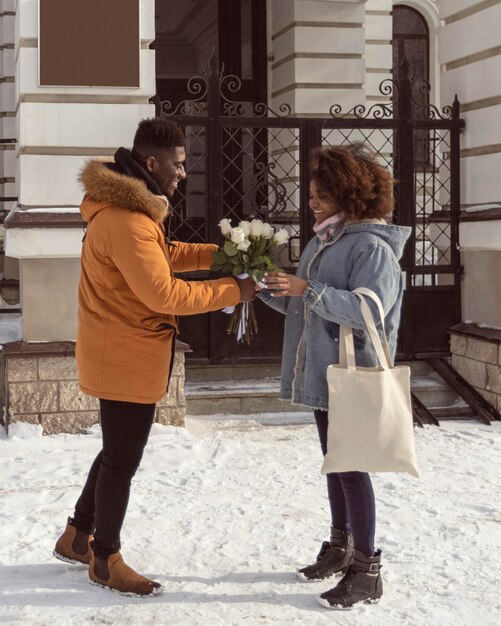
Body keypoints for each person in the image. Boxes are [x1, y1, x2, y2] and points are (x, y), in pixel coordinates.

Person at [53, 117, 255, 597]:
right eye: (179, 165)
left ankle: (78, 536)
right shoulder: (126, 220)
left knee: (113, 452)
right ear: (151, 163)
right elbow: (163, 293)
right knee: (123, 459)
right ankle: (105, 559)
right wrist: (235, 290)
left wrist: (218, 254)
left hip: (121, 348)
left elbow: (164, 254)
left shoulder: (133, 213)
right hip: (125, 352)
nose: (184, 173)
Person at [261, 144, 411, 609]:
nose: (312, 201)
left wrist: (310, 288)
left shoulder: (371, 246)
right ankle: (341, 546)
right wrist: (266, 287)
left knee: (350, 466)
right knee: (335, 462)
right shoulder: (323, 240)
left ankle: (366, 568)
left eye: (322, 193)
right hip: (329, 374)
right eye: (312, 193)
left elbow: (369, 309)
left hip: (355, 372)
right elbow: (303, 303)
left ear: (350, 194)